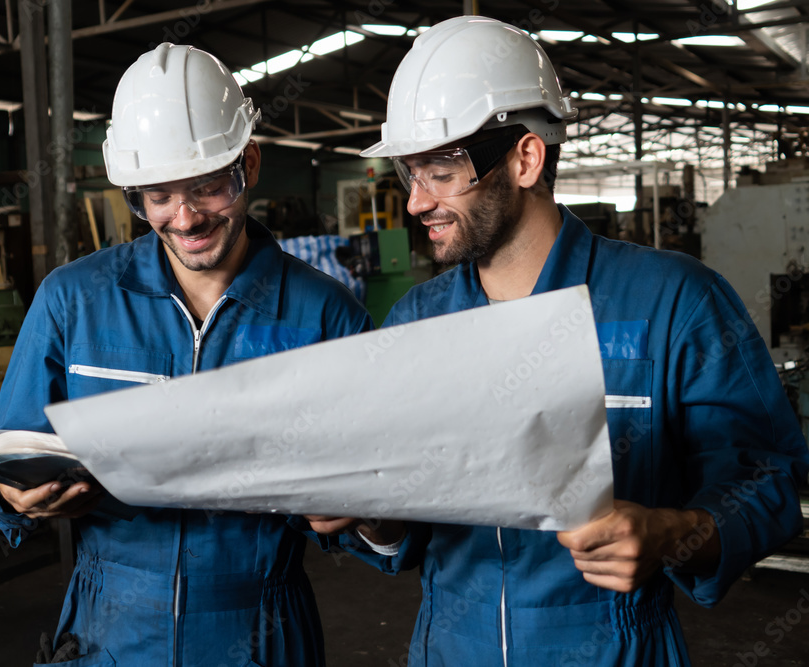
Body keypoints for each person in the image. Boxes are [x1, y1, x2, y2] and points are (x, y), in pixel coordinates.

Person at [308, 16, 809, 665]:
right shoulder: (414, 321)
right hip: (450, 645)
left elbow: (769, 477)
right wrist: (368, 515)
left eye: (440, 170)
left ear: (524, 158)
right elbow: (403, 528)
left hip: (615, 647)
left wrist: (673, 532)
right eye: (411, 172)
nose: (414, 202)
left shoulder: (672, 300)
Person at [0, 43, 372, 666]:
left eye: (208, 187)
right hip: (108, 628)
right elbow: (6, 461)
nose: (184, 217)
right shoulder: (72, 301)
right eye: (156, 196)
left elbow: (382, 518)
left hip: (259, 628)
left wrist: (361, 515)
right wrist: (10, 495)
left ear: (250, 164)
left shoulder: (326, 317)